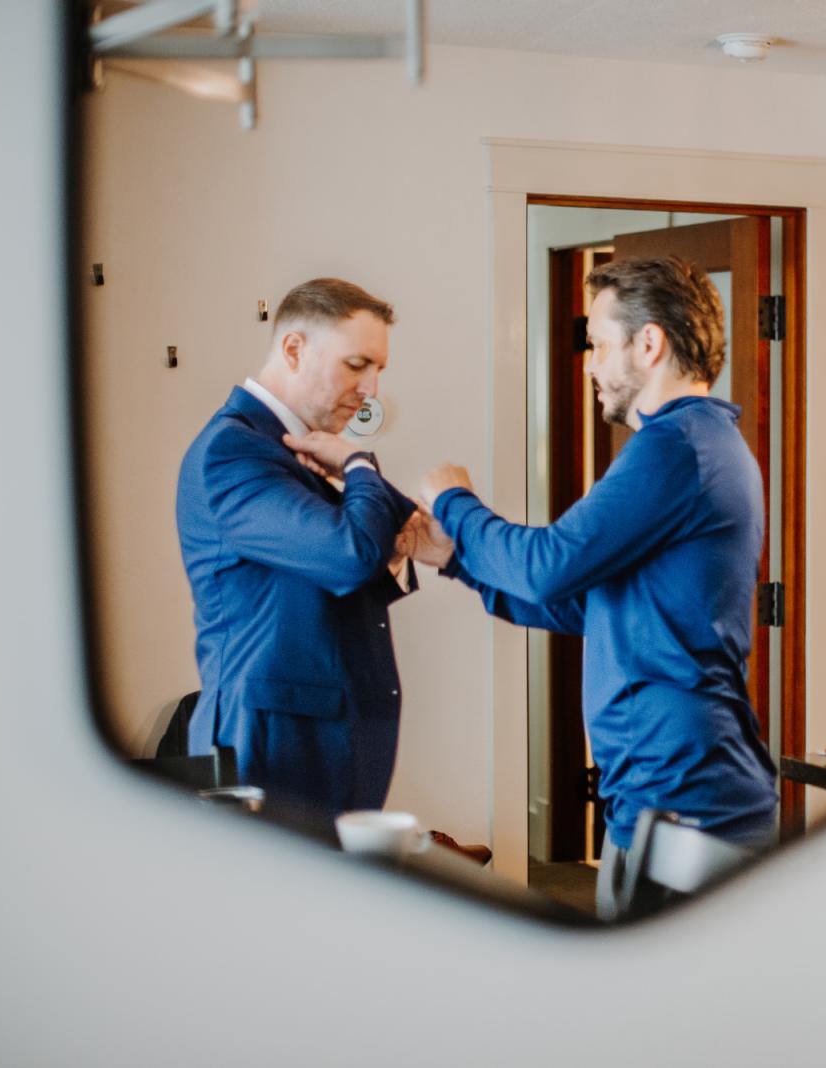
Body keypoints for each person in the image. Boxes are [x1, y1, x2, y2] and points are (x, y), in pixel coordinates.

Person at [412, 257, 778, 919]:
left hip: (684, 800)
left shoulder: (676, 448)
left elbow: (550, 562)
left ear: (649, 343)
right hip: (661, 796)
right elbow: (589, 602)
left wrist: (457, 503)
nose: (587, 364)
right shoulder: (697, 443)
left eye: (597, 344)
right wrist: (457, 562)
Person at [176, 277, 418, 820]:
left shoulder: (301, 450)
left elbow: (399, 533)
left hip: (326, 735)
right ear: (293, 348)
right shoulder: (233, 450)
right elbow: (348, 555)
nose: (371, 389)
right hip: (271, 744)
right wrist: (359, 465)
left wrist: (387, 527)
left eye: (378, 370)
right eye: (357, 365)